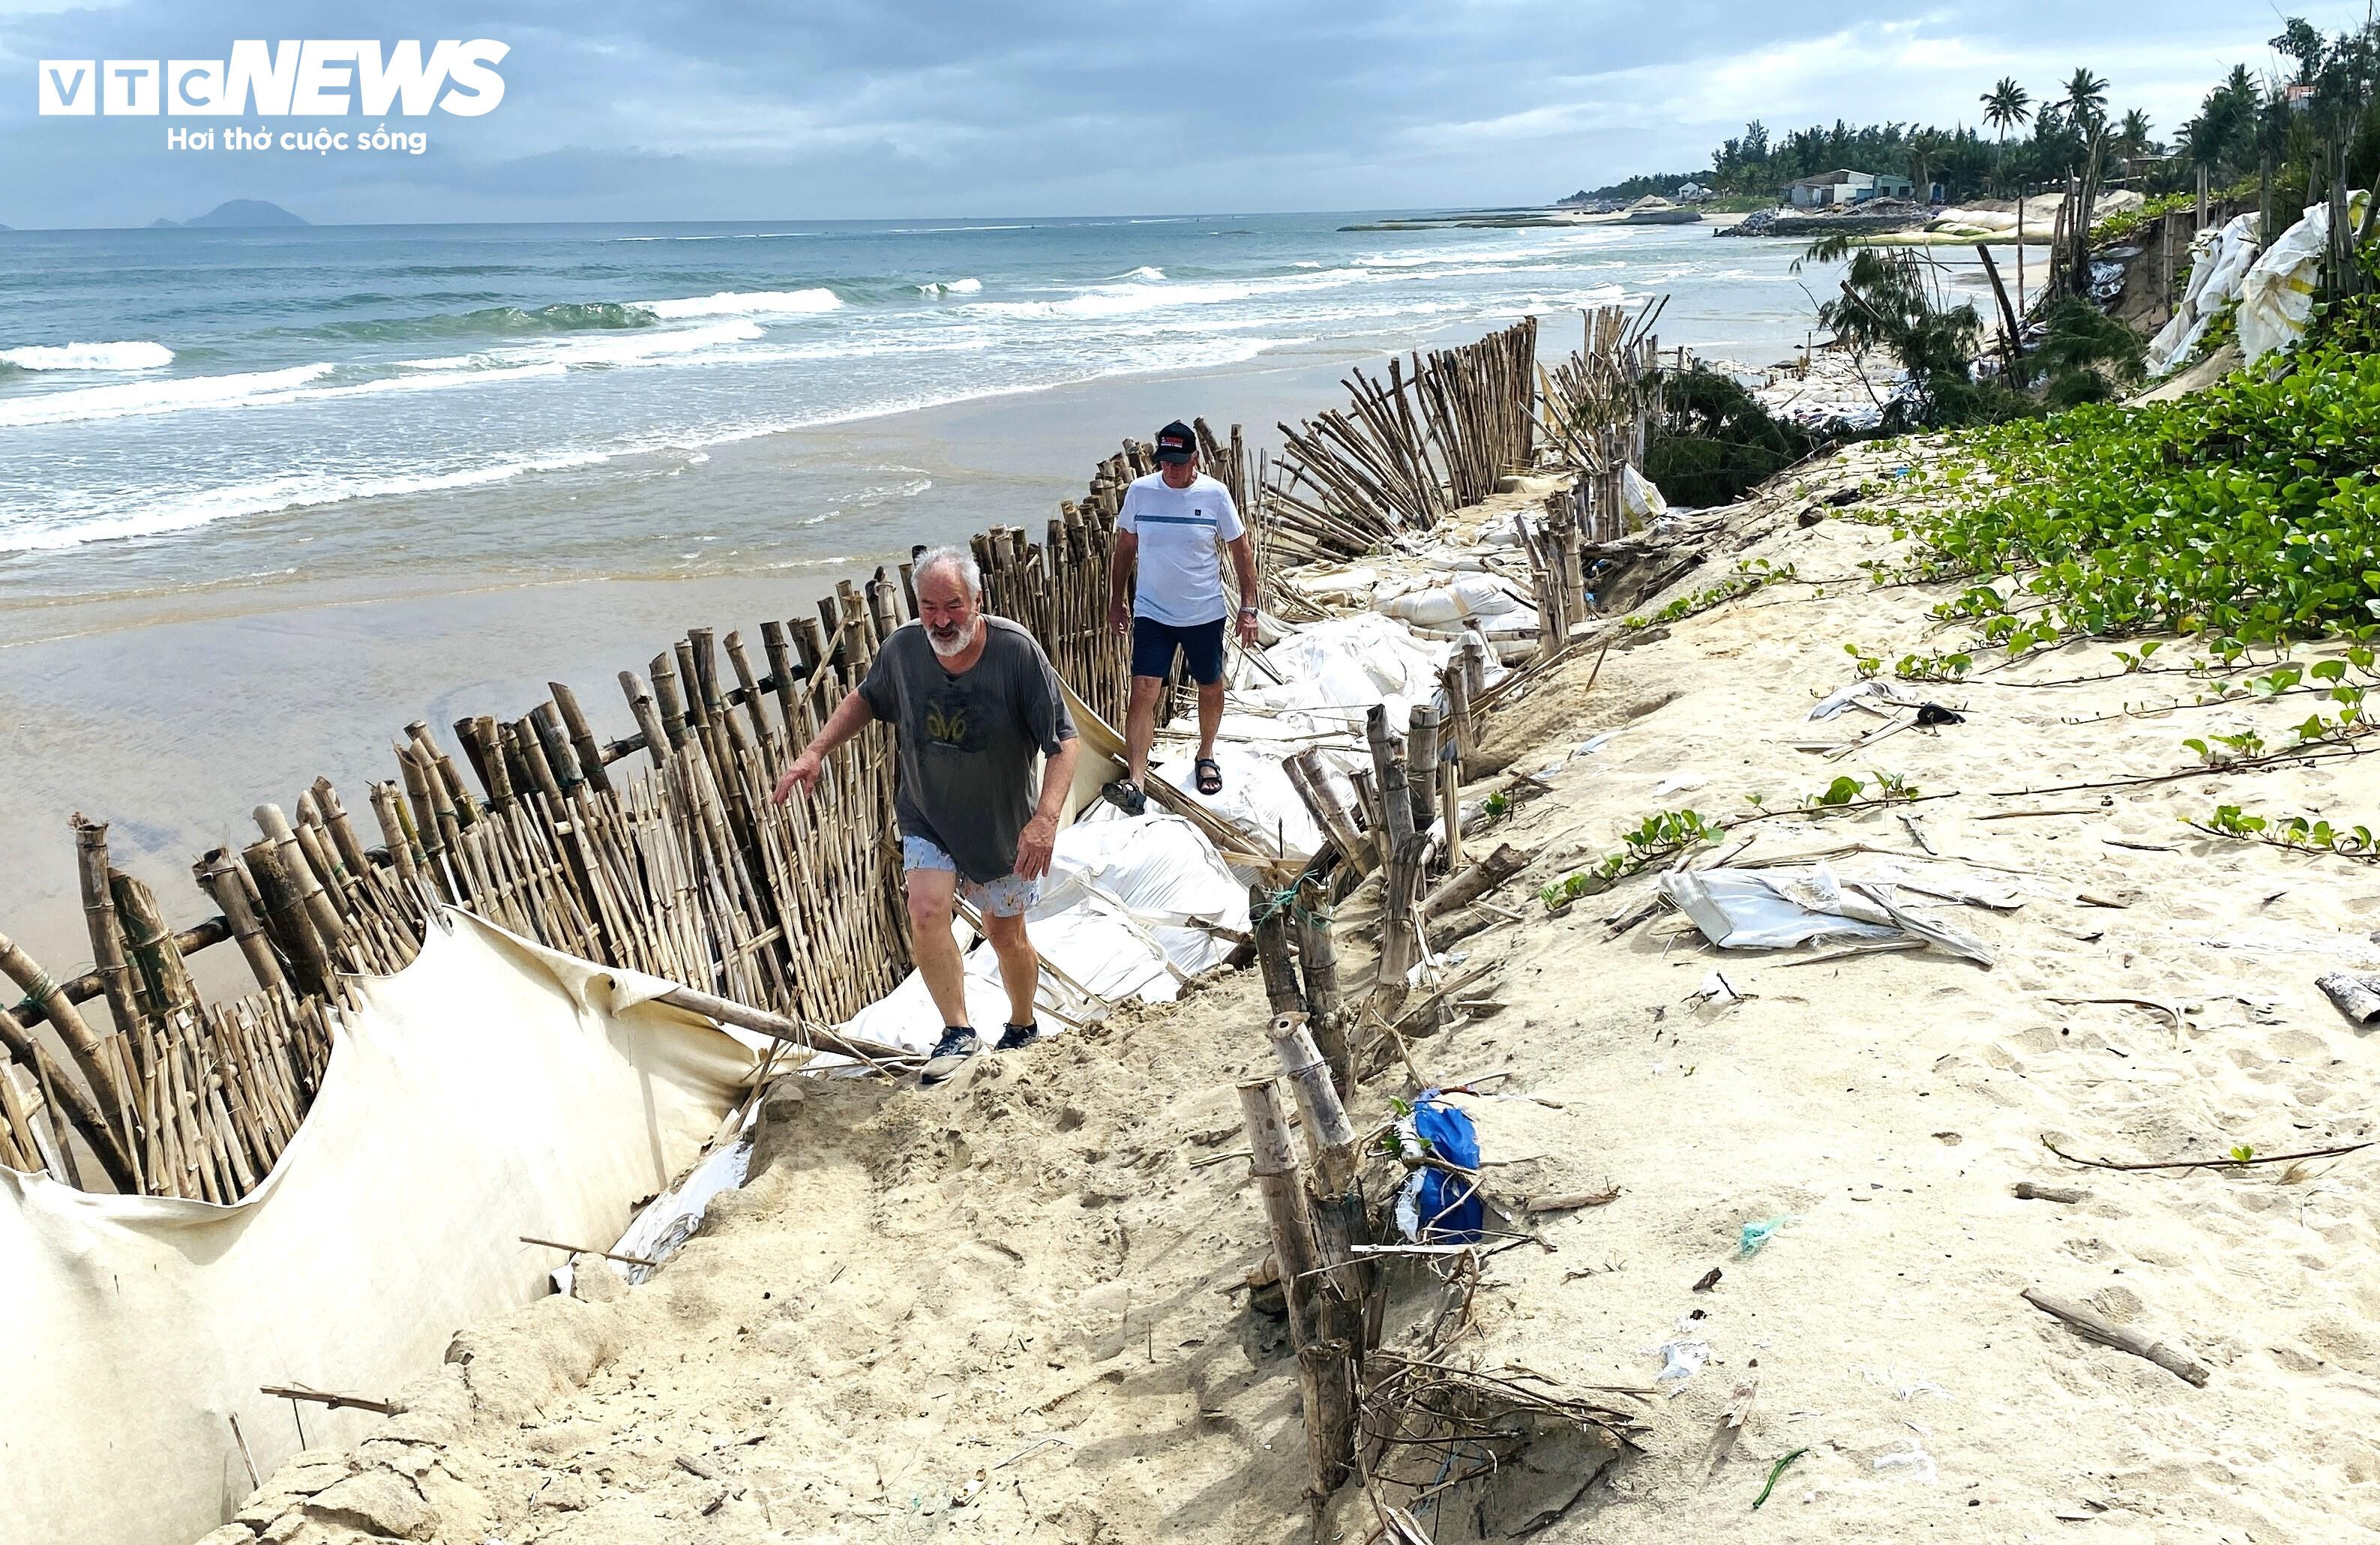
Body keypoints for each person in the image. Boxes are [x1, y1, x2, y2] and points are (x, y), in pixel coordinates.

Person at [772, 546, 1080, 1082]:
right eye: (928, 607)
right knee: (926, 909)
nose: (940, 620)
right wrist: (815, 751)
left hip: (1001, 823)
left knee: (1005, 933)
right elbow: (866, 699)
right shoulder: (903, 649)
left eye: (953, 606)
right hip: (926, 811)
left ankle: (1023, 1023)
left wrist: (1046, 818)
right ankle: (958, 1031)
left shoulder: (1016, 653)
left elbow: (1065, 741)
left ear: (977, 601)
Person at [1105, 419, 1259, 813]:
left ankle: (1206, 754)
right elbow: (1124, 549)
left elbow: (1241, 552)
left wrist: (1248, 607)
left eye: (1178, 462)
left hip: (1203, 613)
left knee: (1211, 685)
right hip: (1152, 613)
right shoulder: (1140, 493)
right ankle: (1136, 780)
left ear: (1195, 459)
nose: (1170, 470)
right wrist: (1116, 600)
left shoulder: (1215, 495)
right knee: (1142, 691)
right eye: (1164, 462)